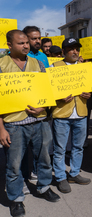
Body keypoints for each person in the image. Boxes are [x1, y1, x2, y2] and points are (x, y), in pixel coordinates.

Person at [0, 30, 60, 217]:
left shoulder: (38, 64)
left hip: (40, 122)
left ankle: (43, 187)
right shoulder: (1, 66)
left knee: (44, 159)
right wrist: (1, 129)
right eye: (21, 43)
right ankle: (16, 198)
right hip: (13, 124)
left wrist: (43, 108)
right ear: (9, 45)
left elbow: (48, 91)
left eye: (27, 42)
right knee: (14, 165)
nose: (26, 45)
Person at [50, 37, 91, 194]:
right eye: (72, 49)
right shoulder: (55, 67)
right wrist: (58, 97)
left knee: (78, 147)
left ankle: (74, 173)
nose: (75, 51)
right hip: (62, 114)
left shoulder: (84, 67)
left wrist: (90, 94)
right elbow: (49, 91)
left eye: (77, 49)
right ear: (63, 52)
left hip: (81, 113)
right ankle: (60, 177)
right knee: (60, 149)